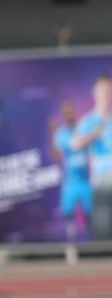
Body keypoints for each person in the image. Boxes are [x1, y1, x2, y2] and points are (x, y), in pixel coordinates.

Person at [78, 74, 112, 240]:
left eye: (109, 91)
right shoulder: (88, 121)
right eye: (103, 91)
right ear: (95, 93)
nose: (106, 95)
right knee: (103, 232)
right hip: (101, 183)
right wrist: (94, 134)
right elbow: (75, 144)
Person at [54, 100, 93, 240]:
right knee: (69, 220)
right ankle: (71, 253)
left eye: (71, 110)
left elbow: (91, 150)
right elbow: (60, 152)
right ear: (63, 114)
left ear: (74, 110)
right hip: (70, 183)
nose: (69, 114)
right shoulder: (61, 134)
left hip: (85, 182)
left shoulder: (84, 129)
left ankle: (94, 250)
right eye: (66, 112)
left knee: (91, 219)